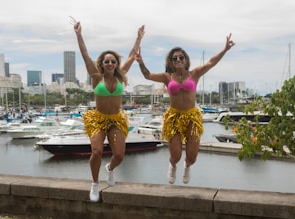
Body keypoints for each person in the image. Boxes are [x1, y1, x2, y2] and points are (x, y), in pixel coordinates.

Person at [135, 34, 235, 184]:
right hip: (174, 117)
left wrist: (225, 49)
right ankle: (173, 164)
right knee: (175, 154)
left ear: (186, 59)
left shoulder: (194, 74)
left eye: (181, 57)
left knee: (192, 156)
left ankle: (187, 166)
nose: (178, 60)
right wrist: (141, 62)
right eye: (175, 58)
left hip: (192, 117)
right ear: (171, 61)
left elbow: (211, 63)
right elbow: (147, 75)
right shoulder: (167, 77)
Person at [73, 20, 145, 202]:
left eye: (113, 61)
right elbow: (85, 54)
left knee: (119, 155)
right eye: (107, 61)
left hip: (116, 119)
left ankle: (110, 169)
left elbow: (131, 55)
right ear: (102, 64)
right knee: (96, 151)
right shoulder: (96, 77)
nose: (110, 63)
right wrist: (79, 34)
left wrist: (138, 38)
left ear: (116, 64)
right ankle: (95, 184)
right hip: (98, 119)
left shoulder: (121, 77)